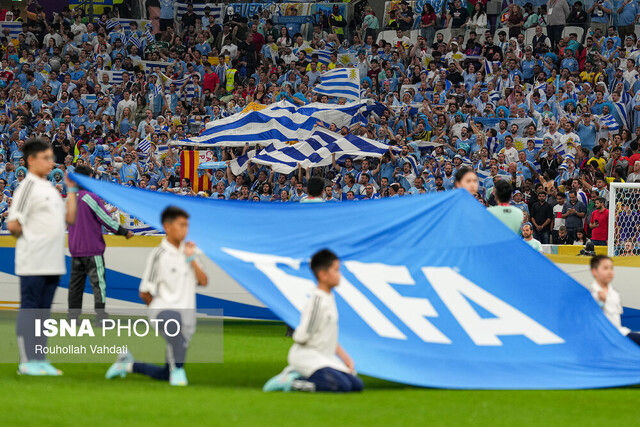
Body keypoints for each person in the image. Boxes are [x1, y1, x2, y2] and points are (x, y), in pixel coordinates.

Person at [105, 206, 208, 386]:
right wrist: (158, 311)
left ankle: (128, 365)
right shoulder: (159, 255)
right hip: (164, 312)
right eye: (180, 225)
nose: (185, 230)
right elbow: (145, 291)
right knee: (176, 346)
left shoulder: (191, 251)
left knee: (165, 374)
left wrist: (192, 259)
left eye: (186, 225)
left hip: (187, 317)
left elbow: (203, 281)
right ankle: (178, 370)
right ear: (167, 227)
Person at [7, 138, 78, 376]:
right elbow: (13, 223)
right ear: (31, 160)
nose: (51, 162)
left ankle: (39, 359)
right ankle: (26, 362)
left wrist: (72, 191)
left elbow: (69, 219)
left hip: (53, 260)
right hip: (34, 260)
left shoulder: (49, 187)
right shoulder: (27, 186)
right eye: (46, 158)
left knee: (44, 314)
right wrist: (35, 239)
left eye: (51, 158)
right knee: (31, 309)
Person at [263, 249, 363, 392]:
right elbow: (301, 336)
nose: (339, 275)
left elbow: (328, 335)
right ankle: (290, 381)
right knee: (340, 385)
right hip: (308, 356)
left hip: (324, 357)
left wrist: (345, 357)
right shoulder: (317, 301)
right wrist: (304, 338)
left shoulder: (329, 298)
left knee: (356, 384)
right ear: (323, 275)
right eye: (336, 270)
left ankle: (304, 376)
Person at [67, 165, 133, 322]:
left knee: (76, 285)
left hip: (76, 249)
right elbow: (105, 219)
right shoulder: (90, 197)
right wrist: (124, 232)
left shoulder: (71, 198)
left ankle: (73, 317)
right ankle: (101, 317)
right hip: (91, 248)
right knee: (99, 284)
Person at [589, 255, 640, 346]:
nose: (610, 272)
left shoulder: (614, 293)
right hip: (605, 336)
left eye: (611, 268)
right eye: (605, 268)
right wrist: (601, 302)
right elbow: (592, 317)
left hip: (619, 333)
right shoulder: (593, 294)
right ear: (594, 271)